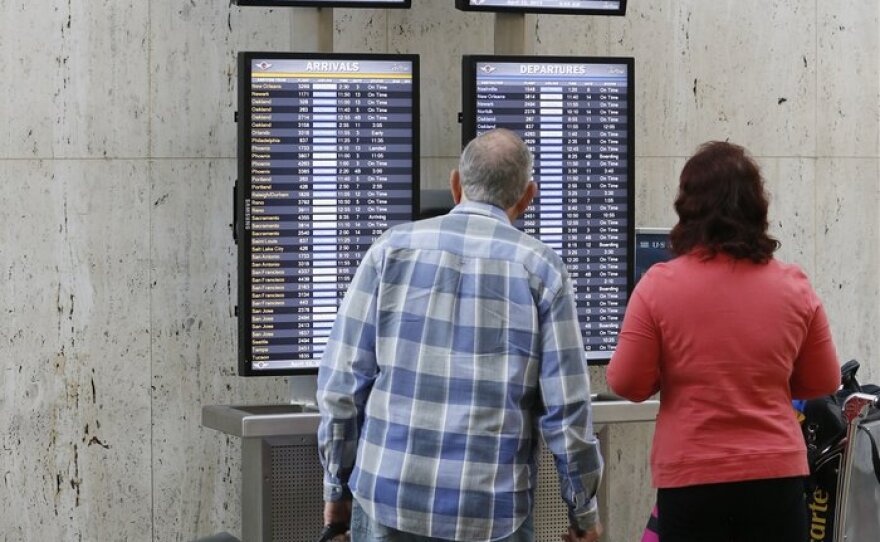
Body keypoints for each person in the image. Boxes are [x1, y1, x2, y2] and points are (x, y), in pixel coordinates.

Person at [317, 128, 603, 542]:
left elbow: (342, 386)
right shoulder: (542, 270)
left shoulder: (389, 251)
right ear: (527, 197)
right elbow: (568, 411)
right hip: (490, 513)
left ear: (456, 185)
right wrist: (583, 512)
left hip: (388, 499)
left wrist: (336, 490)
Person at [607, 141, 841, 542]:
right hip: (775, 478)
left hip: (692, 480)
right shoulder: (794, 285)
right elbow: (823, 380)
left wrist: (673, 373)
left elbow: (627, 383)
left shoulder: (658, 287)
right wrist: (765, 382)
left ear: (687, 207)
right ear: (758, 207)